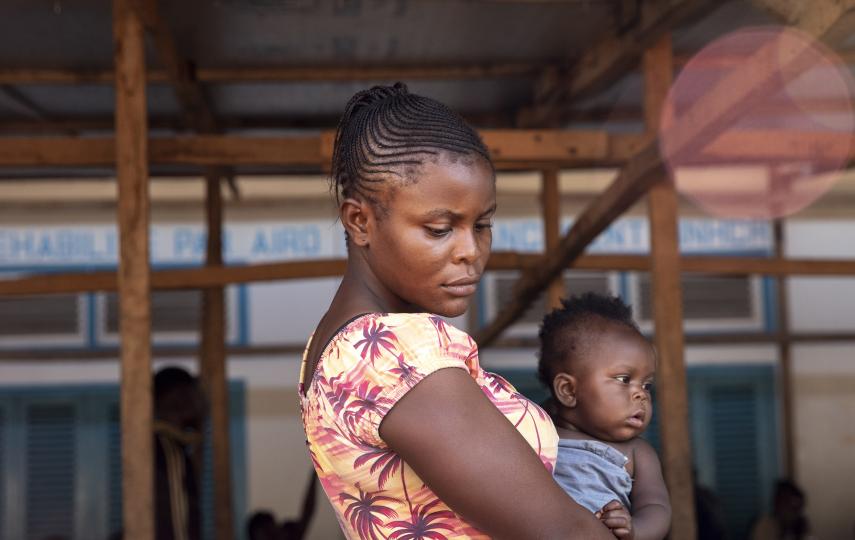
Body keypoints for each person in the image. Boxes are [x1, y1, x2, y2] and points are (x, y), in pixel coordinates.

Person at [298, 82, 612, 539]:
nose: (472, 251)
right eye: (441, 228)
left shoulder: (330, 347)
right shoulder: (390, 353)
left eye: (482, 224)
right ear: (360, 221)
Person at [537, 293, 671, 540]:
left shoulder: (637, 453)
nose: (641, 395)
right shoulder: (535, 430)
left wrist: (635, 529)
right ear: (568, 390)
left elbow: (657, 508)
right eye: (624, 380)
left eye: (646, 385)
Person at [154, 366, 206, 540]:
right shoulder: (169, 452)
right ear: (179, 399)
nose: (202, 404)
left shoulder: (163, 445)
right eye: (195, 394)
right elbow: (177, 520)